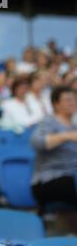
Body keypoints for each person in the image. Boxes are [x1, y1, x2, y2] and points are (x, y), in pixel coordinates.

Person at [30, 86, 77, 216]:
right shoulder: (49, 121)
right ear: (56, 104)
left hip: (72, 178)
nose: (73, 103)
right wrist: (67, 136)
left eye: (74, 99)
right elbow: (37, 142)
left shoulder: (74, 125)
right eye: (68, 100)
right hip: (50, 179)